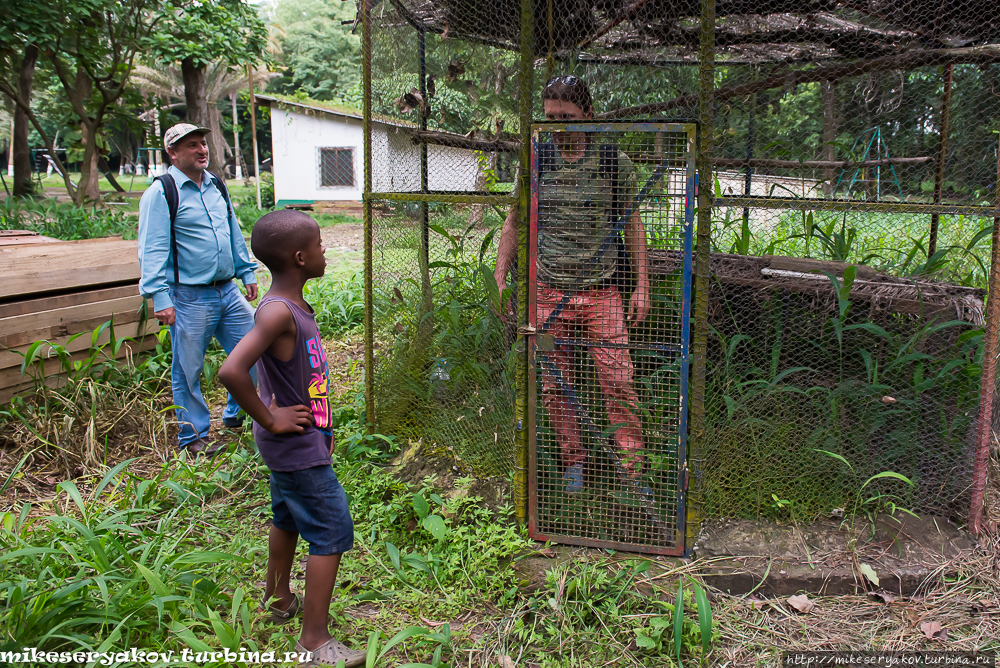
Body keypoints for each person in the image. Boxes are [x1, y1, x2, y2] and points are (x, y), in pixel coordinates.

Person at [218, 210, 365, 668]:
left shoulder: (293, 307)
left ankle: (279, 597)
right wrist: (271, 417)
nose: (325, 251)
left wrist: (323, 428)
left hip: (302, 440)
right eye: (320, 245)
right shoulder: (279, 312)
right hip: (293, 444)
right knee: (331, 531)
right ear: (301, 258)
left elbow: (300, 377)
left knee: (285, 516)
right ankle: (314, 642)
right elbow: (231, 370)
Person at [493, 75, 650, 493]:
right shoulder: (537, 158)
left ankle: (633, 468)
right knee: (553, 382)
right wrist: (499, 274)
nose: (557, 127)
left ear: (588, 115)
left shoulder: (613, 162)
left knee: (618, 380)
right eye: (549, 118)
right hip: (547, 294)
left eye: (566, 117)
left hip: (602, 293)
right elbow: (514, 219)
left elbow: (633, 222)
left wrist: (642, 285)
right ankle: (572, 463)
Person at [138, 123, 259, 455]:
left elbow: (233, 230)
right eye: (192, 145)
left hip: (228, 291)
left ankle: (237, 415)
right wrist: (160, 299)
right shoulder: (161, 193)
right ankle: (194, 438)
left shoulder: (216, 185)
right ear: (173, 153)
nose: (202, 149)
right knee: (188, 371)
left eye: (203, 143)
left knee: (254, 351)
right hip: (189, 297)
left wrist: (246, 271)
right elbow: (151, 249)